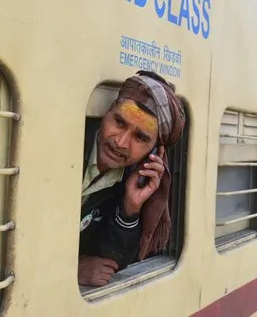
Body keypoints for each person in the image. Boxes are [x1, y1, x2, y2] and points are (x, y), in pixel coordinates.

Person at [78, 70, 186, 287]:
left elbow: (111, 261)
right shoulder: (69, 147)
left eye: (140, 137)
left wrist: (130, 206)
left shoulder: (129, 179)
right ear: (108, 112)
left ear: (154, 151)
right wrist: (72, 267)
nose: (121, 142)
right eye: (119, 122)